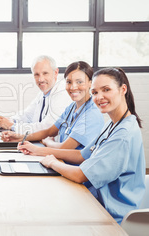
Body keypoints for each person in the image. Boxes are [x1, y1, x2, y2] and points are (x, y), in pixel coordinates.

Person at [17, 67, 145, 224]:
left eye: (106, 90)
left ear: (122, 89)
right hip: (93, 197)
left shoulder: (123, 134)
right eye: (95, 92)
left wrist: (52, 162)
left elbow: (81, 175)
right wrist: (38, 150)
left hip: (108, 214)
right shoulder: (113, 124)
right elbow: (82, 155)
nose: (99, 97)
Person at [1, 61, 104, 150]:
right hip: (60, 161)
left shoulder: (91, 114)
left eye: (80, 82)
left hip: (72, 168)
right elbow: (50, 131)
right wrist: (20, 137)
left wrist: (47, 143)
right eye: (69, 82)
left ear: (91, 83)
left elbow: (64, 148)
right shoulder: (72, 108)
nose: (73, 87)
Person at [0, 55, 71, 134]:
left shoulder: (62, 93)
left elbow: (47, 127)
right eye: (36, 74)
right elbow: (27, 115)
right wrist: (10, 120)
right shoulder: (43, 93)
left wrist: (12, 126)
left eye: (45, 73)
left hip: (52, 144)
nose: (40, 79)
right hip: (40, 142)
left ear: (55, 73)